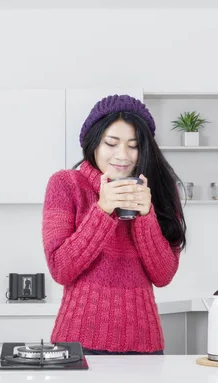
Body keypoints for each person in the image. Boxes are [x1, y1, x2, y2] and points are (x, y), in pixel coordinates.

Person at [41, 94, 187, 355]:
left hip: (145, 346)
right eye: (111, 143)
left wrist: (146, 216)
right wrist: (102, 210)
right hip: (77, 344)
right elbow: (61, 270)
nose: (123, 155)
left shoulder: (160, 190)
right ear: (94, 143)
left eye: (134, 145)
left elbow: (163, 276)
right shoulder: (66, 184)